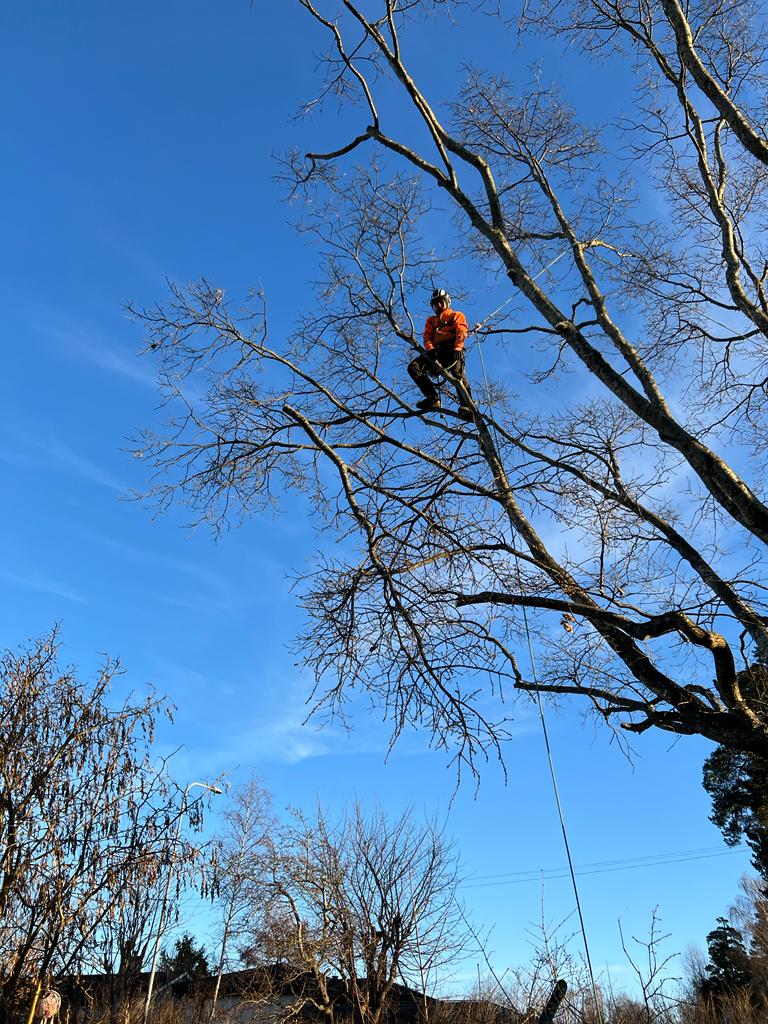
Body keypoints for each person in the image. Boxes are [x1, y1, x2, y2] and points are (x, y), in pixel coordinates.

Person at [408, 288, 473, 420]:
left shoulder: (456, 315)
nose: (438, 306)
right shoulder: (431, 320)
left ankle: (467, 407)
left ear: (447, 302)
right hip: (436, 351)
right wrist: (430, 349)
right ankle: (432, 397)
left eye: (440, 302)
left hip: (452, 349)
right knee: (413, 367)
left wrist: (458, 348)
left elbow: (461, 330)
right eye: (435, 304)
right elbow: (427, 337)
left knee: (458, 376)